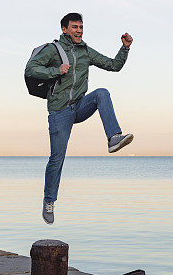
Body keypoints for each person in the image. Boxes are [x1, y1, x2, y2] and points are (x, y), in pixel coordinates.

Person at [25, 12, 134, 224]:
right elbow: (32, 69)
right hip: (59, 112)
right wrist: (56, 70)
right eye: (74, 27)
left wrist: (125, 48)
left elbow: (114, 65)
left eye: (81, 27)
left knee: (102, 93)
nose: (79, 30)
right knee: (57, 159)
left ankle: (113, 138)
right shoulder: (53, 49)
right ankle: (49, 201)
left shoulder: (85, 51)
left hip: (79, 106)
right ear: (65, 29)